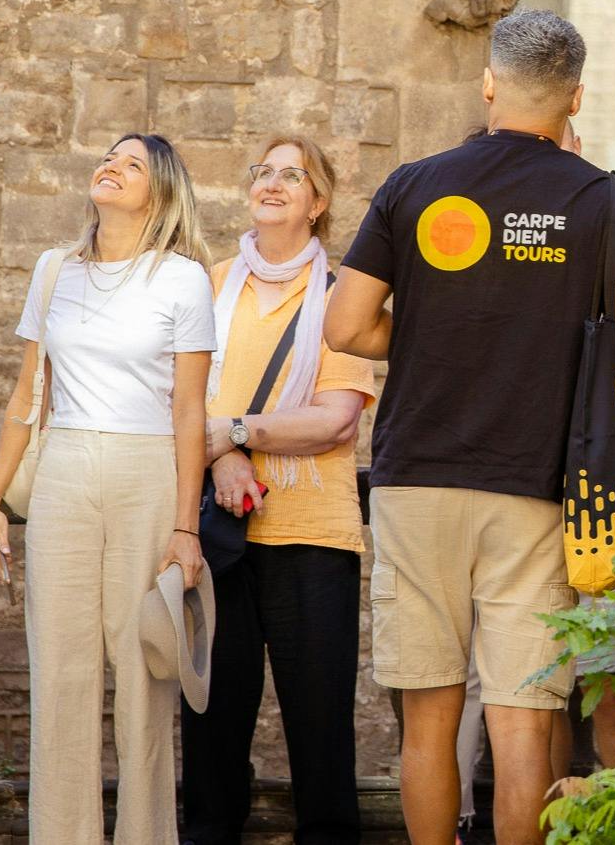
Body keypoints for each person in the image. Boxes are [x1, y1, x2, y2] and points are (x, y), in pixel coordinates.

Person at [325, 10, 615, 845]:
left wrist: (441, 329)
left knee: (430, 719)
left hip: (416, 481)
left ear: (489, 83)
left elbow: (345, 327)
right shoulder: (607, 198)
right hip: (536, 488)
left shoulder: (414, 182)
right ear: (575, 97)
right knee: (521, 722)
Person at [0, 133, 217, 844]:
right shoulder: (55, 270)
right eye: (109, 156)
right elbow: (28, 393)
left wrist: (185, 527)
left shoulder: (183, 278)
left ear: (161, 191)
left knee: (143, 676)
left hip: (148, 473)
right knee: (60, 675)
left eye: (131, 162)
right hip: (65, 473)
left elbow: (189, 411)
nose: (110, 166)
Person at [182, 137, 377, 845]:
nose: (273, 182)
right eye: (264, 171)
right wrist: (225, 457)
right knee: (212, 722)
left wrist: (230, 434)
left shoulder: (343, 296)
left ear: (317, 202)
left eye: (292, 174)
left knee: (320, 720)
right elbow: (174, 394)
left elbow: (333, 418)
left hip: (313, 534)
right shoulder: (207, 284)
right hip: (216, 528)